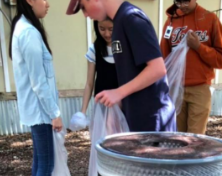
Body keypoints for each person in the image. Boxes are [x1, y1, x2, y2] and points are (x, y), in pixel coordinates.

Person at [66, 0, 176, 132]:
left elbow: (158, 69)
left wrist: (118, 92)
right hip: (135, 116)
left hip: (152, 119)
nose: (85, 14)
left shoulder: (131, 17)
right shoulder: (119, 23)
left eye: (84, 7)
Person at [10, 0, 70, 176]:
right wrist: (54, 113)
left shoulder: (25, 28)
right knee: (46, 163)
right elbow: (38, 82)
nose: (48, 4)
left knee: (40, 160)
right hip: (40, 111)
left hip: (36, 109)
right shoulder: (28, 33)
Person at [160, 0, 222, 134]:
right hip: (175, 88)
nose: (182, 5)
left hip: (199, 89)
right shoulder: (170, 22)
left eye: (186, 1)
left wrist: (199, 47)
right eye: (178, 2)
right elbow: (163, 59)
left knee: (195, 139)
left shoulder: (210, 19)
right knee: (177, 137)